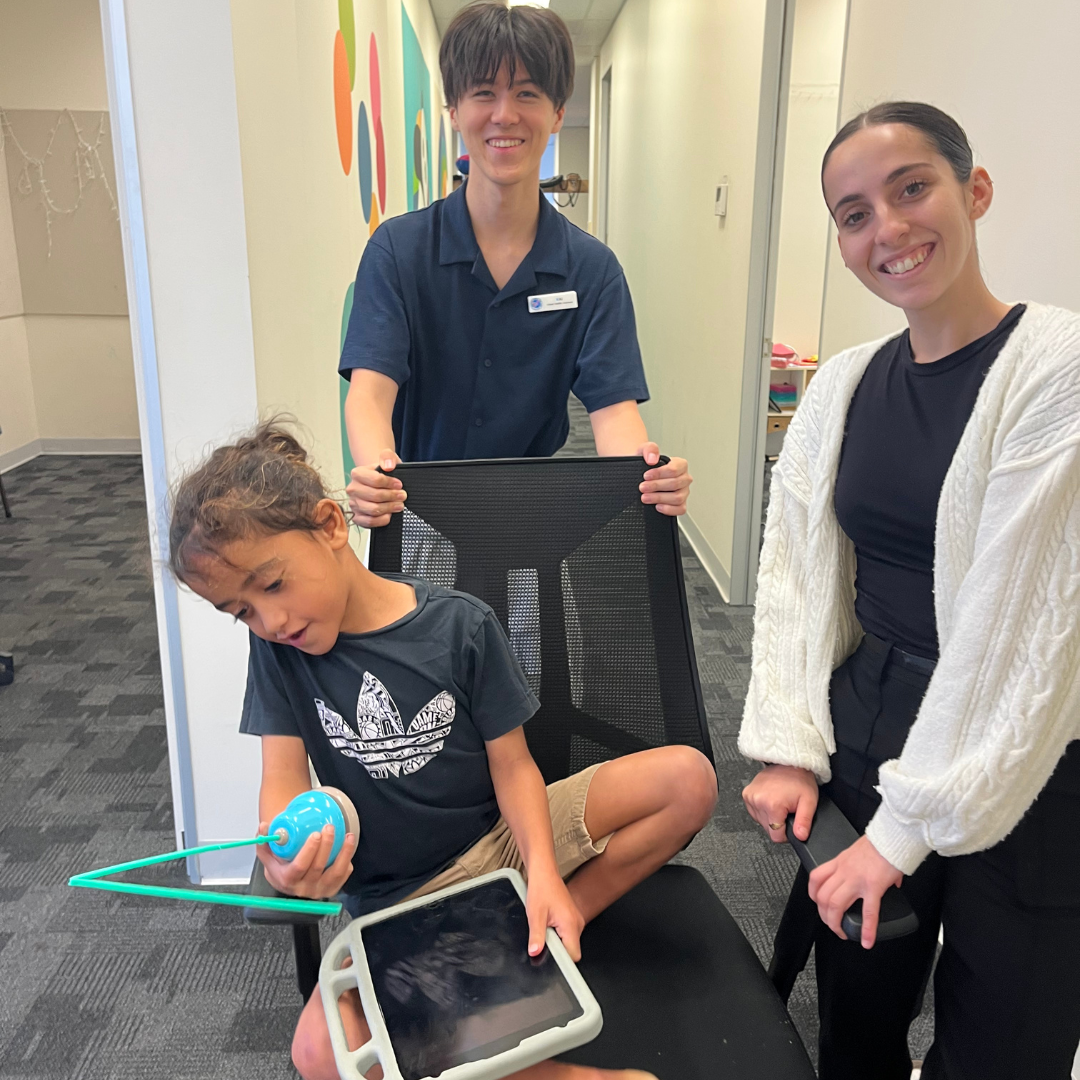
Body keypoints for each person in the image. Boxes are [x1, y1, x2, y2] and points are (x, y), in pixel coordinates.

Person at [168, 423, 717, 1080]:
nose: (271, 622)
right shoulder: (278, 656)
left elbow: (513, 766)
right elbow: (280, 783)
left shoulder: (460, 625)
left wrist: (542, 871)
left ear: (329, 527)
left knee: (687, 778)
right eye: (243, 613)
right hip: (398, 903)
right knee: (317, 1055)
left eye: (274, 585)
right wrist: (283, 860)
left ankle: (537, 923)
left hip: (501, 845)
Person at [738, 102, 1080, 1079]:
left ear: (973, 191)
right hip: (872, 713)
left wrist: (897, 837)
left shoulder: (1057, 367)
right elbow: (797, 580)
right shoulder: (843, 383)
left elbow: (1016, 631)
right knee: (860, 1015)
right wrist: (796, 745)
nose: (886, 229)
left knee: (1005, 1039)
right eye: (853, 214)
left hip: (1029, 746)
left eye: (911, 188)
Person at [340, 0, 691, 532]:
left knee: (535, 620)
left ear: (555, 112)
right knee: (428, 619)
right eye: (484, 92)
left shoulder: (592, 271)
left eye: (527, 92)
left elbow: (615, 410)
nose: (505, 114)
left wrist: (643, 474)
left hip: (531, 516)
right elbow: (369, 394)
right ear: (454, 110)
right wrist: (373, 471)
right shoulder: (398, 251)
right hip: (418, 516)